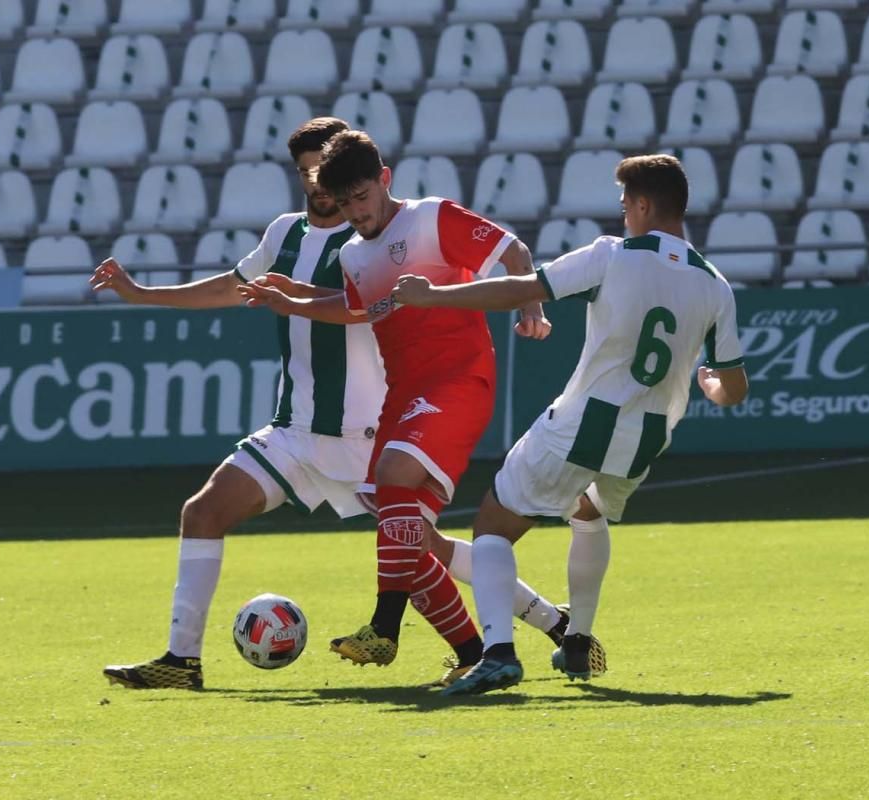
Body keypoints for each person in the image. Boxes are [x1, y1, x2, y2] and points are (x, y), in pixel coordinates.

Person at [95, 119, 579, 690]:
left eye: (323, 173)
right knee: (203, 511)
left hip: (368, 425)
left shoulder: (391, 230)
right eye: (305, 173)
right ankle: (182, 662)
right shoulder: (291, 237)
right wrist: (146, 292)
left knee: (421, 550)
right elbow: (252, 290)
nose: (318, 186)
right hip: (296, 428)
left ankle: (518, 632)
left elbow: (377, 301)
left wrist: (527, 304)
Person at [241, 131, 606, 674]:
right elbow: (362, 310)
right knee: (414, 541)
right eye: (344, 204)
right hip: (404, 396)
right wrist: (291, 298)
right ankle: (545, 628)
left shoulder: (432, 218)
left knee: (393, 477)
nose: (356, 212)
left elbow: (514, 251)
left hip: (458, 381)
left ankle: (385, 629)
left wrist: (530, 307)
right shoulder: (352, 253)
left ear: (384, 180)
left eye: (362, 197)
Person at [389, 154, 750, 695]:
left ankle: (497, 653)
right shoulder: (715, 285)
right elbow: (734, 388)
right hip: (645, 437)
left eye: (627, 204)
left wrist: (432, 295)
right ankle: (576, 639)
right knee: (588, 511)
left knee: (492, 527)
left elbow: (520, 290)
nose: (624, 214)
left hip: (585, 420)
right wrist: (710, 386)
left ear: (645, 205)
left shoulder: (613, 255)